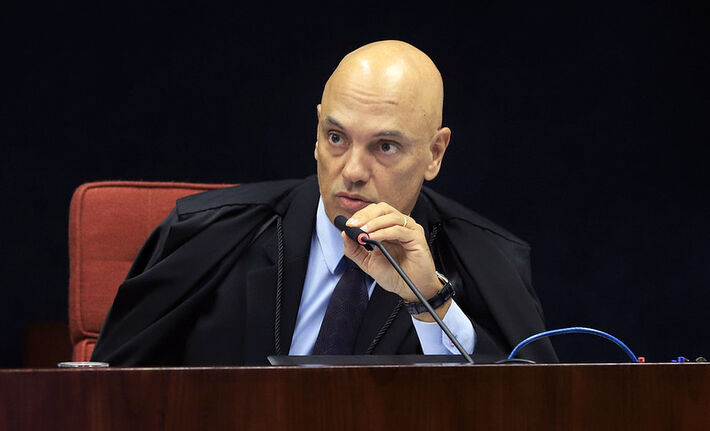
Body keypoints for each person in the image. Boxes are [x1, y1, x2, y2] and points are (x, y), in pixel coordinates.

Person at [91, 40, 557, 365]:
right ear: (316, 132)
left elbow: (529, 408)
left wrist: (431, 302)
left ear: (434, 153)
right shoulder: (206, 237)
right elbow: (103, 394)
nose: (352, 169)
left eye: (385, 147)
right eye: (336, 137)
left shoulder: (488, 260)